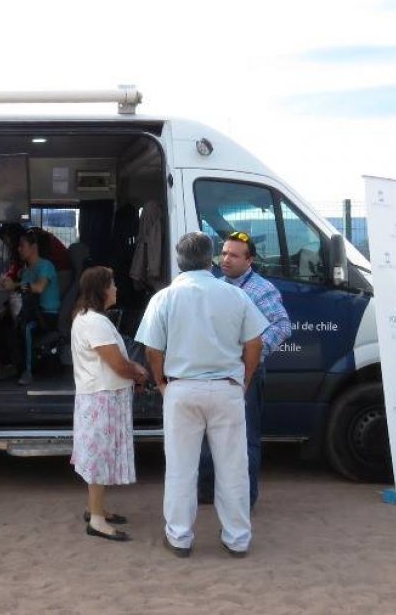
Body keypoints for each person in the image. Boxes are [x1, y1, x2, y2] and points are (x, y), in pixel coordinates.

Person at [135, 232, 267, 558]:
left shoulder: (164, 298)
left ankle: (179, 537)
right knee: (233, 468)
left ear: (179, 260)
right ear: (211, 259)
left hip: (181, 388)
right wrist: (244, 379)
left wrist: (162, 382)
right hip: (227, 388)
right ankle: (237, 538)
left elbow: (152, 348)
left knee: (181, 468)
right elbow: (255, 343)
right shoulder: (236, 295)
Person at [199, 231, 291, 508]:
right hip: (216, 371)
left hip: (246, 372)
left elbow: (282, 326)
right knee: (209, 435)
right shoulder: (215, 286)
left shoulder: (261, 290)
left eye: (234, 255)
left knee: (245, 437)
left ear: (249, 260)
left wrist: (252, 351)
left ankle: (244, 499)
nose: (226, 259)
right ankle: (207, 492)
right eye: (224, 253)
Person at [69, 266, 149, 542]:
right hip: (102, 398)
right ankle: (97, 520)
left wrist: (133, 370)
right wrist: (139, 372)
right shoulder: (96, 322)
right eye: (112, 284)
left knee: (97, 455)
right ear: (102, 290)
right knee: (99, 458)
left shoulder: (86, 318)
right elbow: (117, 364)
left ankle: (96, 508)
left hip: (99, 395)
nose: (116, 288)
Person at [0, 231, 61, 385]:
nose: (19, 249)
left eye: (22, 246)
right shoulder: (26, 271)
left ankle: (27, 371)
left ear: (33, 247)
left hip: (46, 315)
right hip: (30, 311)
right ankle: (10, 365)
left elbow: (38, 287)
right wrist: (6, 308)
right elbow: (23, 294)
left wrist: (15, 285)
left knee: (27, 327)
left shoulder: (45, 266)